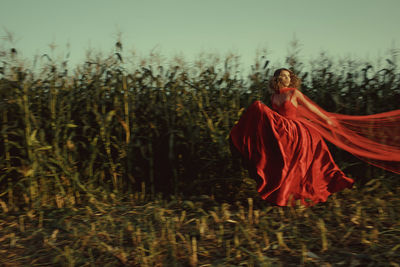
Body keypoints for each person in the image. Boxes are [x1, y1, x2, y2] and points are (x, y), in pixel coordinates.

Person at [230, 68, 400, 206]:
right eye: (282, 76)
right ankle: (284, 194)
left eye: (288, 76)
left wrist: (327, 119)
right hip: (283, 130)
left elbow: (311, 108)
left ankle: (308, 192)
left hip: (297, 131)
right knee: (259, 111)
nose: (286, 79)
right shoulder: (274, 96)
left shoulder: (294, 93)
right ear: (276, 79)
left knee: (300, 165)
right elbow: (275, 116)